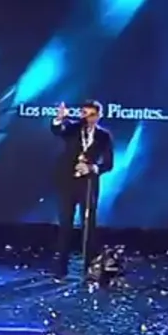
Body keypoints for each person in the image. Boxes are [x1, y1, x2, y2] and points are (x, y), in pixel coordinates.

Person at [50, 100, 114, 276]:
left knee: (89, 225)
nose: (88, 118)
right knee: (65, 224)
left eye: (92, 115)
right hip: (67, 182)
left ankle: (88, 266)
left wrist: (92, 168)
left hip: (88, 184)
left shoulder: (104, 136)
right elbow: (58, 130)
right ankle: (61, 267)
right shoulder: (73, 129)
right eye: (84, 114)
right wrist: (59, 119)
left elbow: (108, 164)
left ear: (99, 116)